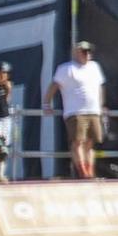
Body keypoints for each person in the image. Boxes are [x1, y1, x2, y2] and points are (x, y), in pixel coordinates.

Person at [44, 41, 107, 179]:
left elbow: (100, 88)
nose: (88, 54)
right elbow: (54, 86)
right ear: (77, 52)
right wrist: (47, 104)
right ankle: (82, 172)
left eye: (89, 52)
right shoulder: (66, 68)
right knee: (78, 141)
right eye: (84, 51)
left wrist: (101, 105)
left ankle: (90, 172)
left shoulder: (95, 67)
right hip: (75, 111)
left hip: (93, 111)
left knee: (91, 142)